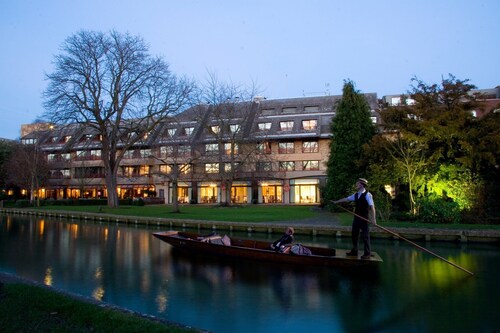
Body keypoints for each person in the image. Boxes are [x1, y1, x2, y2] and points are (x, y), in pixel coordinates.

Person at [332, 178, 377, 259]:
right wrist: (336, 202)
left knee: (365, 236)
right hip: (356, 218)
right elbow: (346, 199)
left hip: (364, 218)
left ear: (362, 184)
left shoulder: (368, 194)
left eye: (357, 183)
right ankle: (354, 251)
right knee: (354, 235)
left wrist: (373, 219)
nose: (356, 184)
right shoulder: (356, 195)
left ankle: (367, 253)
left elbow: (372, 207)